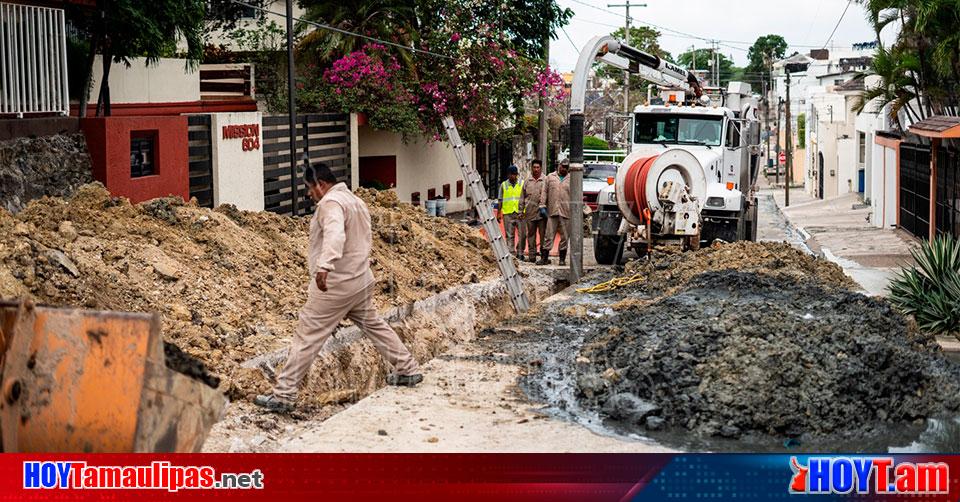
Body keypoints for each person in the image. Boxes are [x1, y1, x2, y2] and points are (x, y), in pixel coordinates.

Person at [255, 163, 423, 412]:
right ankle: (407, 368)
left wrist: (325, 266)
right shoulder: (354, 200)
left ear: (320, 185)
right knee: (374, 325)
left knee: (307, 336)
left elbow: (335, 234)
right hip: (360, 280)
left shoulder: (330, 203)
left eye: (310, 189)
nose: (310, 195)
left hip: (335, 285)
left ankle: (283, 395)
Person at [538, 160, 571, 266]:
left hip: (566, 212)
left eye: (566, 167)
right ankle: (544, 258)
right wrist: (542, 205)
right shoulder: (550, 177)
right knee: (548, 236)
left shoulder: (571, 179)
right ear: (559, 166)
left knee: (565, 237)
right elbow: (544, 192)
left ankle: (562, 259)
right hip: (552, 212)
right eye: (563, 167)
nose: (564, 169)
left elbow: (576, 194)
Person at [520, 159, 547, 262]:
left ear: (540, 168)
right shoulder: (527, 181)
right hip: (530, 213)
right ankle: (532, 256)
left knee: (543, 235)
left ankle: (544, 256)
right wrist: (520, 211)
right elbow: (522, 197)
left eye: (538, 167)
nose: (536, 169)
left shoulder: (546, 180)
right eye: (534, 167)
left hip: (542, 214)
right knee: (531, 235)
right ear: (531, 168)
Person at [496, 165, 525, 258]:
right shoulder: (503, 185)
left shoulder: (522, 184)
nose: (512, 176)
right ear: (508, 175)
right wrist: (498, 213)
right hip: (508, 213)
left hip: (520, 213)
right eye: (511, 174)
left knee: (523, 234)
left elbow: (527, 198)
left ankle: (520, 252)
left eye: (514, 174)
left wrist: (524, 211)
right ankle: (511, 253)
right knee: (509, 235)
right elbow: (500, 200)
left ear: (517, 175)